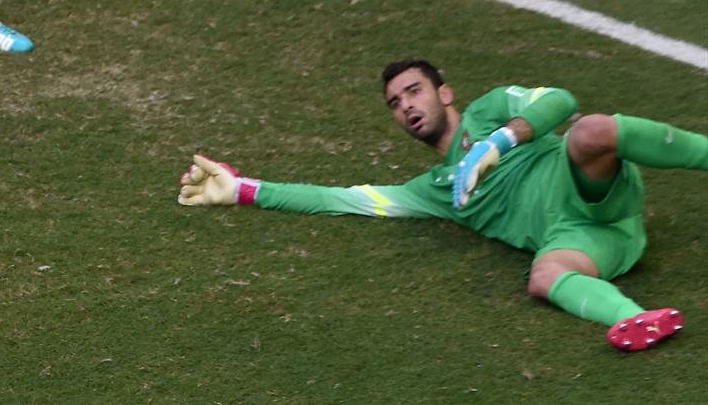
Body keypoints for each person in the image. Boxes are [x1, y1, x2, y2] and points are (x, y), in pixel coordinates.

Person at [178, 59, 706, 351]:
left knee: (590, 131)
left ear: (445, 93)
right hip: (589, 242)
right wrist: (245, 189)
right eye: (395, 103)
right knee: (544, 277)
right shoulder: (433, 190)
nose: (406, 105)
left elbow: (560, 102)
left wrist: (498, 143)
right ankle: (641, 319)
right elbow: (342, 198)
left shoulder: (494, 108)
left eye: (413, 91)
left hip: (589, 185)